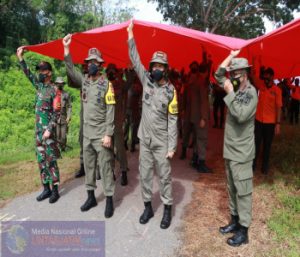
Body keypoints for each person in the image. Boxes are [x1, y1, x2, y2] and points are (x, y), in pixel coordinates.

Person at [127, 20, 178, 229]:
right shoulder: (146, 80)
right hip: (145, 139)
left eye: (160, 66)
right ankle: (148, 207)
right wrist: (130, 34)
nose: (156, 69)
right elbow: (135, 59)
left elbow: (173, 119)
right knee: (145, 175)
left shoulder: (171, 91)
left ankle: (167, 209)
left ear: (165, 69)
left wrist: (172, 146)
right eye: (154, 65)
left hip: (161, 141)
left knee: (164, 176)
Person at [63, 34, 116, 218]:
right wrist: (67, 49)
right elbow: (70, 69)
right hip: (87, 134)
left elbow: (111, 110)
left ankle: (109, 199)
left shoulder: (107, 85)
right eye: (89, 62)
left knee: (106, 167)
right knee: (89, 166)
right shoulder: (84, 81)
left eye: (94, 61)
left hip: (101, 134)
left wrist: (109, 134)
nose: (91, 64)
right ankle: (91, 197)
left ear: (100, 64)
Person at [214, 50, 258, 247]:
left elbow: (240, 115)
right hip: (230, 148)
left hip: (242, 152)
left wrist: (230, 93)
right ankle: (234, 221)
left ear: (245, 74)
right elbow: (218, 75)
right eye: (232, 74)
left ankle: (244, 230)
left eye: (236, 74)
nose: (232, 77)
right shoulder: (235, 88)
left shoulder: (250, 93)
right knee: (232, 188)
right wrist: (230, 56)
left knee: (243, 191)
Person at [17, 47, 61, 204]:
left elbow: (57, 114)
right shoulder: (40, 87)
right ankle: (46, 189)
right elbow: (28, 74)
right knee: (41, 160)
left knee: (51, 160)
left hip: (48, 133)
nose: (40, 73)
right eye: (39, 71)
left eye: (43, 71)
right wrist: (21, 58)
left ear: (49, 72)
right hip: (38, 133)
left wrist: (49, 130)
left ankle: (55, 190)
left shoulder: (55, 90)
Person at [106, 63, 133, 186]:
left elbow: (129, 83)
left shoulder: (121, 84)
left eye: (113, 71)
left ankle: (123, 171)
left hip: (117, 120)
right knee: (108, 148)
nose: (111, 73)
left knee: (120, 147)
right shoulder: (103, 84)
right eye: (109, 71)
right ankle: (111, 170)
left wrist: (129, 71)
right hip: (106, 121)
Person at [253, 67, 282, 174]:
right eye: (264, 78)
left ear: (272, 77)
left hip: (270, 123)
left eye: (268, 78)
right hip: (258, 121)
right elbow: (253, 77)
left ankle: (264, 168)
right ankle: (253, 166)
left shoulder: (277, 91)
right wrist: (256, 64)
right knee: (256, 144)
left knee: (267, 145)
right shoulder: (261, 86)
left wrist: (278, 124)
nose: (265, 80)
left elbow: (279, 107)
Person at [54, 77, 72, 151]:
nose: (60, 85)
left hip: (64, 117)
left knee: (63, 136)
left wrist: (69, 116)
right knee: (57, 135)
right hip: (55, 117)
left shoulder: (66, 94)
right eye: (59, 84)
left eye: (61, 83)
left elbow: (69, 106)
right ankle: (58, 149)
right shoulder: (53, 94)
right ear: (56, 84)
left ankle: (63, 148)